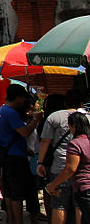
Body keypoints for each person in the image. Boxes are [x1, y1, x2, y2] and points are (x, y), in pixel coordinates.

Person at [0, 84, 41, 224]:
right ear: (19, 97)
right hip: (16, 157)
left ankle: (11, 220)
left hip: (7, 154)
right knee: (16, 193)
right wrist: (35, 120)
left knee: (9, 192)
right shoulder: (11, 113)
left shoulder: (1, 110)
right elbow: (25, 132)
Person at [39, 91, 81, 224]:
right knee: (79, 205)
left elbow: (45, 141)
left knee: (59, 205)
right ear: (81, 103)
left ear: (64, 103)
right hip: (81, 167)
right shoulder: (87, 117)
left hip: (59, 166)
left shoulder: (55, 117)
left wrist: (40, 162)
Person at [46, 109, 90, 222]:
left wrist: (53, 184)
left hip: (84, 187)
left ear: (73, 126)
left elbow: (70, 168)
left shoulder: (75, 144)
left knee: (62, 206)